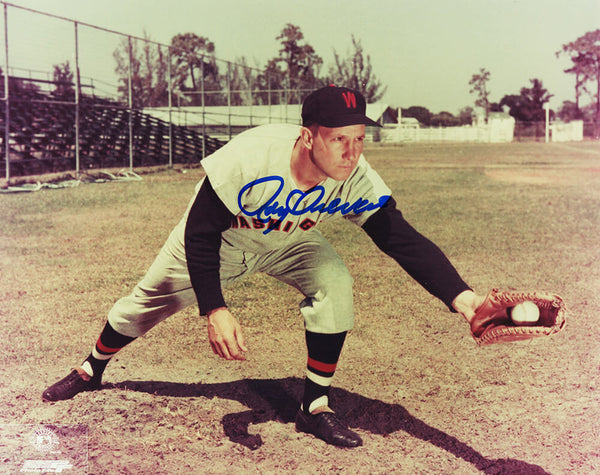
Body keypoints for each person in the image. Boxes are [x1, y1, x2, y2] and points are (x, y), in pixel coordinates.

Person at [43, 85, 485, 448]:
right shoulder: (253, 155)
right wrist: (215, 308)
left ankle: (314, 407)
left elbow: (398, 236)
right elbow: (200, 232)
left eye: (359, 139)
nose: (351, 153)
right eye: (339, 139)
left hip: (288, 241)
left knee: (334, 278)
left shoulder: (354, 175)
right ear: (308, 137)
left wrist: (465, 300)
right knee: (139, 308)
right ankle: (91, 368)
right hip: (218, 240)